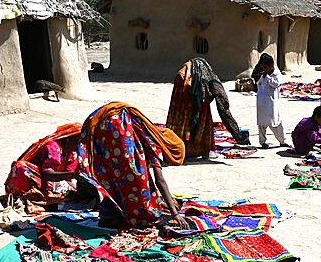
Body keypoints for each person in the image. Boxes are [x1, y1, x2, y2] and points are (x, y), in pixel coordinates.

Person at [81, 102, 189, 230]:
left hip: (103, 123)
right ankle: (124, 216)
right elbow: (159, 180)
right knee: (135, 180)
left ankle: (109, 214)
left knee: (115, 174)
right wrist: (175, 213)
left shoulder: (153, 133)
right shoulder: (156, 144)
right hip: (117, 126)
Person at [166, 58, 248, 160]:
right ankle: (198, 149)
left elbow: (223, 109)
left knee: (197, 122)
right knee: (200, 124)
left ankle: (191, 149)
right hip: (189, 99)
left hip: (191, 99)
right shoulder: (207, 83)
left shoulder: (210, 81)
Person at [251, 53, 286, 148]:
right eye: (262, 67)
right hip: (261, 102)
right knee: (262, 124)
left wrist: (267, 77)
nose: (264, 69)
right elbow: (258, 83)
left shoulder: (277, 74)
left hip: (271, 103)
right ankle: (263, 142)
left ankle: (282, 141)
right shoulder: (263, 74)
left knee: (276, 122)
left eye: (265, 67)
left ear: (271, 66)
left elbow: (275, 84)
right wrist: (261, 76)